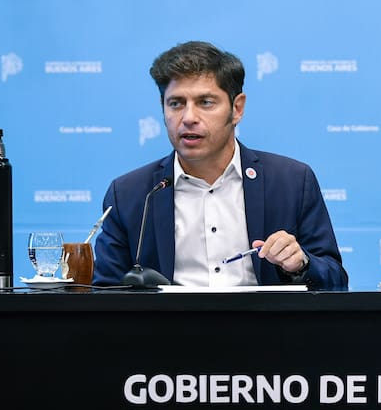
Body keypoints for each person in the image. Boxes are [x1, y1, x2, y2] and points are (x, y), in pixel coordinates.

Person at [94, 41, 347, 289]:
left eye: (206, 102)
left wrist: (301, 265)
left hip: (266, 328)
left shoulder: (291, 181)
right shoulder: (130, 194)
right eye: (176, 103)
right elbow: (104, 295)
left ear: (237, 109)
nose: (189, 118)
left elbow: (336, 281)